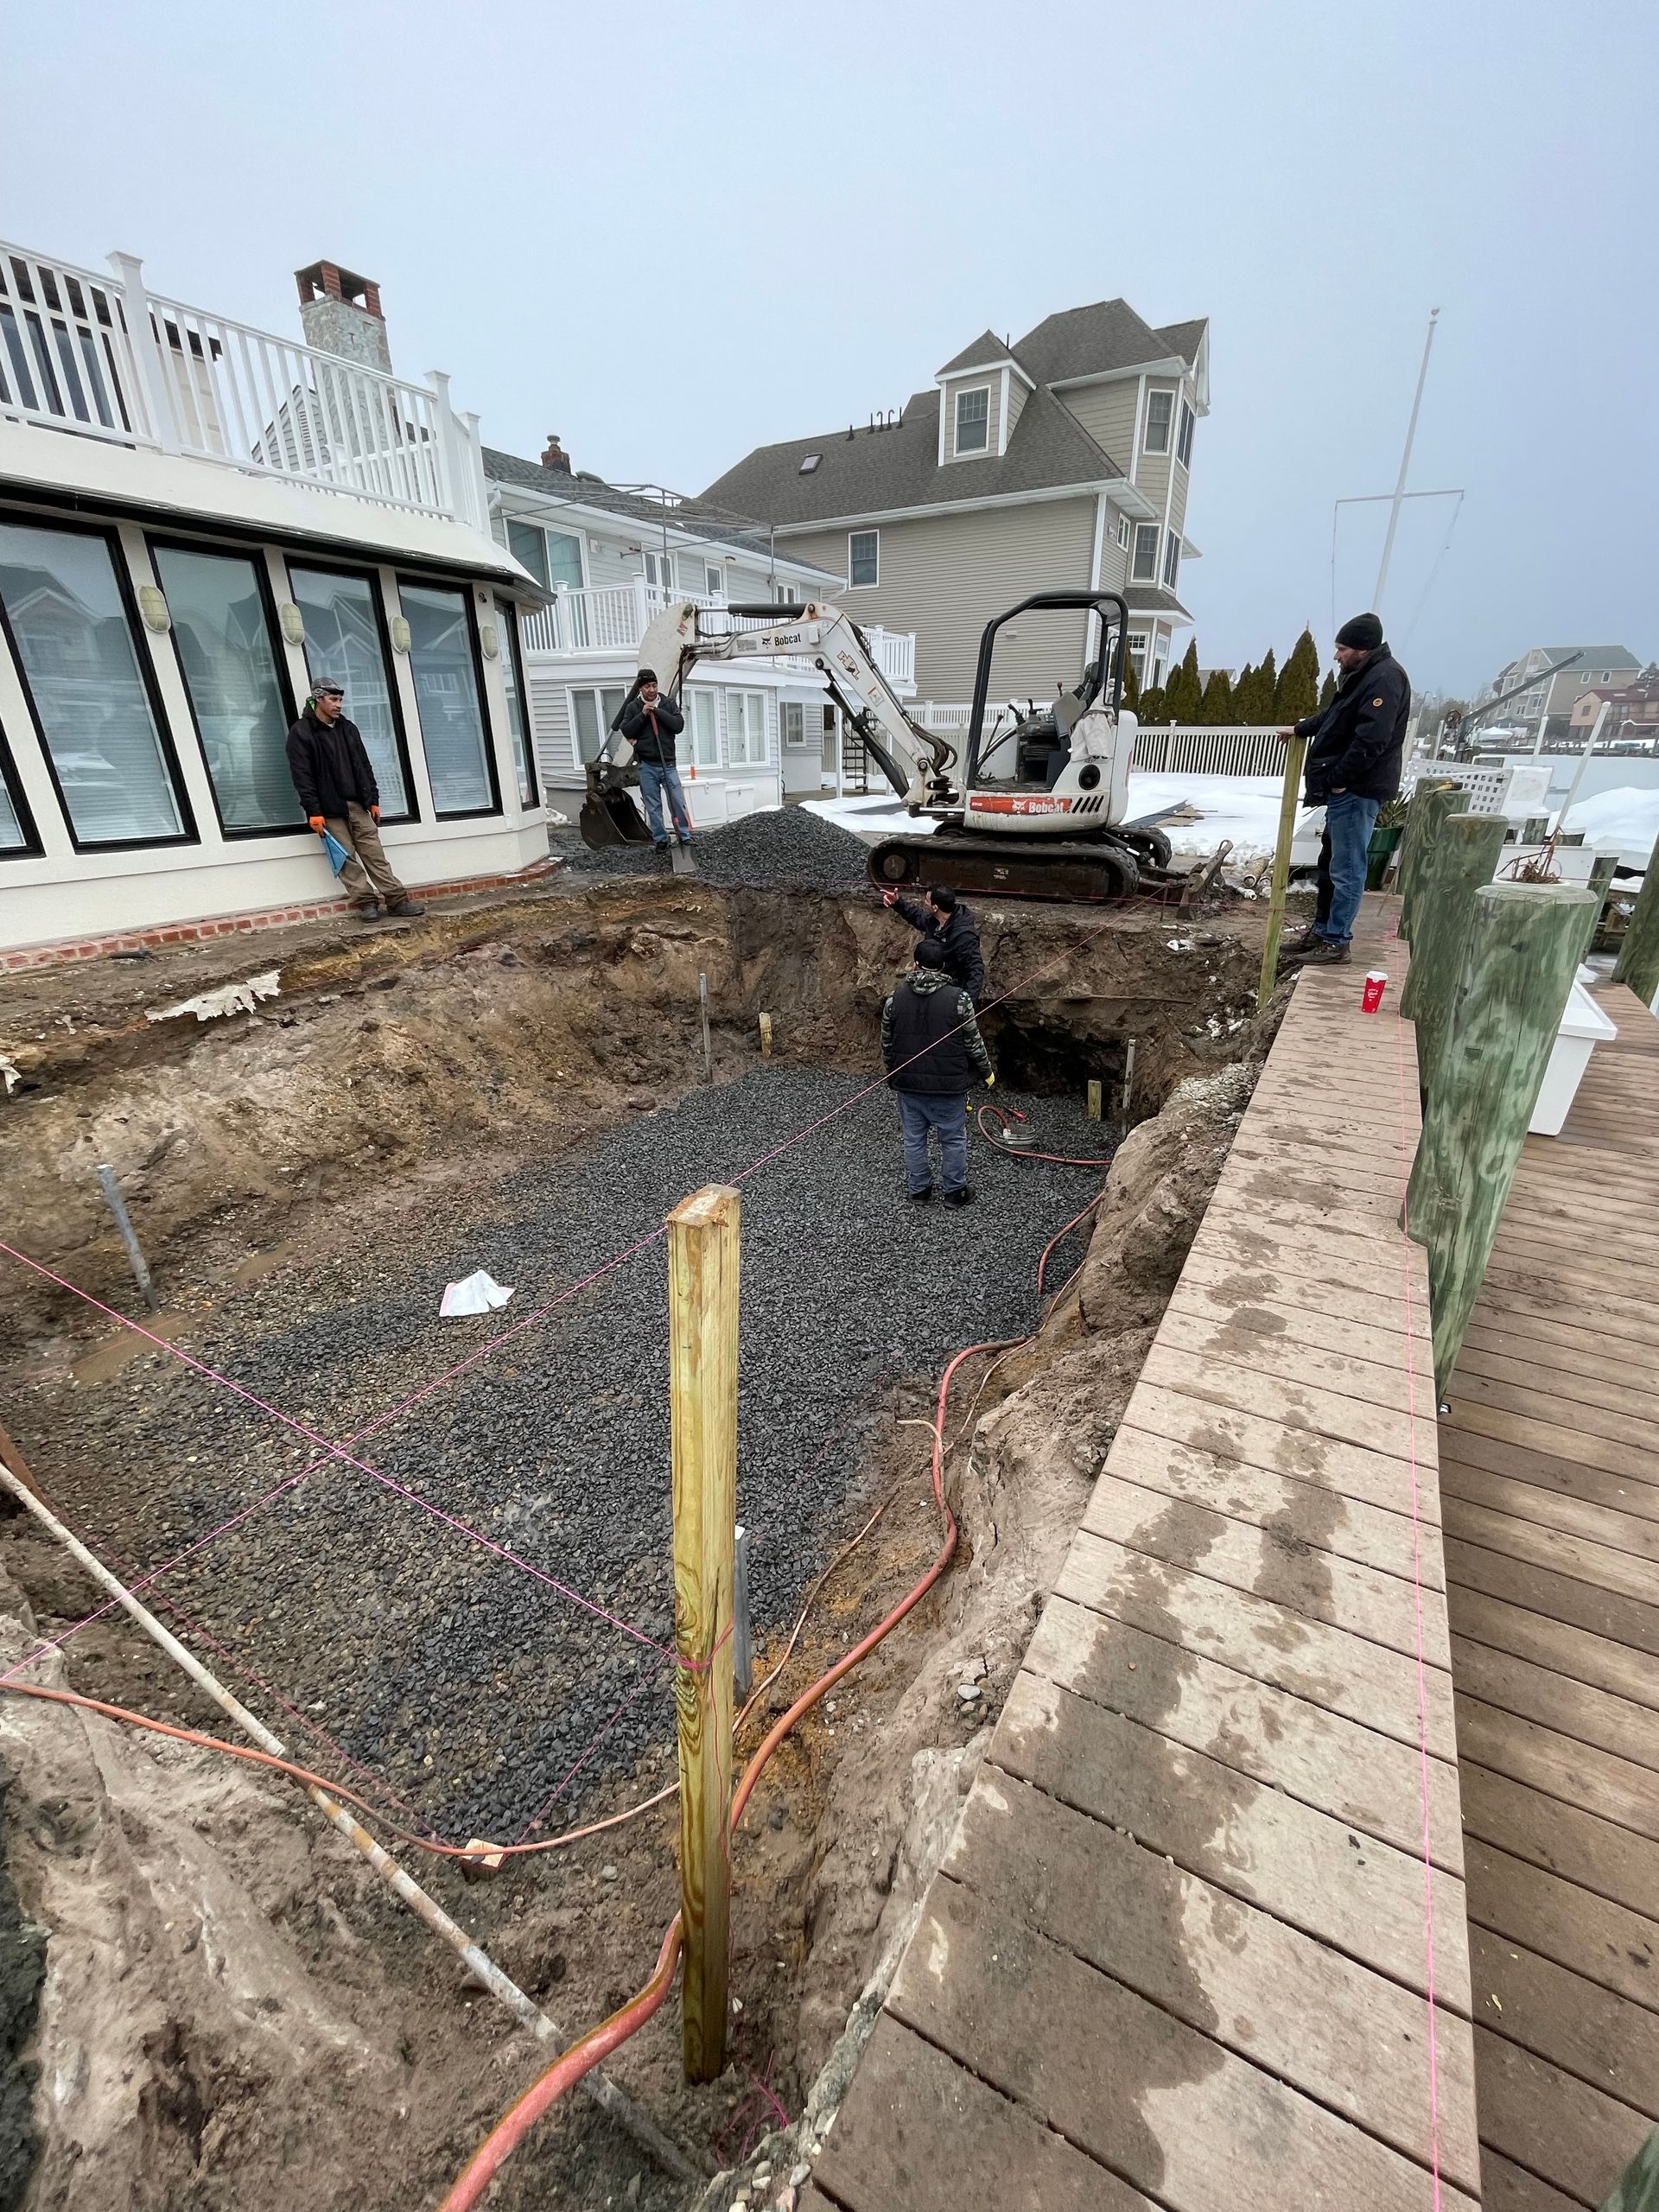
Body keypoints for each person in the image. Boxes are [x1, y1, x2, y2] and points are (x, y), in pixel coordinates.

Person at [1277, 613, 1410, 966]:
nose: (1337, 656)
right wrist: (1301, 729)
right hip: (1347, 790)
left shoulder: (1384, 679)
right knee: (1330, 863)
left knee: (1347, 868)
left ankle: (1336, 942)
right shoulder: (1363, 676)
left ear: (1363, 648)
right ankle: (1322, 932)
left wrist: (1339, 779)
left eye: (1343, 649)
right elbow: (1335, 715)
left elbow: (1372, 740)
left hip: (1356, 790)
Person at [284, 679, 423, 922]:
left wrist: (373, 799)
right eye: (333, 700)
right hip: (328, 809)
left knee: (375, 854)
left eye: (340, 700)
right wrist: (313, 811)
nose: (338, 705)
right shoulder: (302, 732)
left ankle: (397, 901)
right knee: (346, 858)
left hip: (357, 805)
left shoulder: (348, 728)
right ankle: (366, 903)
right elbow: (302, 776)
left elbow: (363, 765)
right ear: (318, 699)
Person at [880, 939, 994, 1207]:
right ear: (943, 966)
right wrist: (987, 1071)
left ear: (915, 965)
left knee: (913, 1139)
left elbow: (887, 1043)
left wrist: (892, 1073)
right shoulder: (960, 999)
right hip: (948, 1086)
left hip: (908, 1084)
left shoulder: (894, 999)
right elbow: (974, 1042)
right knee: (952, 1139)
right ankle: (955, 1192)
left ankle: (919, 1190)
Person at [617, 670, 692, 853]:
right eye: (647, 686)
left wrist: (657, 712)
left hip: (668, 764)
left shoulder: (668, 703)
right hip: (647, 765)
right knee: (653, 805)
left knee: (677, 801)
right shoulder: (633, 707)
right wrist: (643, 714)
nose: (651, 690)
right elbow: (627, 730)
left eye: (654, 685)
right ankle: (660, 839)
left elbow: (678, 725)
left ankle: (684, 835)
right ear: (640, 688)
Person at [880, 884, 985, 1002]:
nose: (924, 903)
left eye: (927, 900)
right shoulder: (935, 920)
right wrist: (897, 903)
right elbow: (917, 916)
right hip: (930, 985)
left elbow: (975, 970)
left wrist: (967, 1003)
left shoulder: (964, 936)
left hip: (950, 993)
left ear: (935, 908)